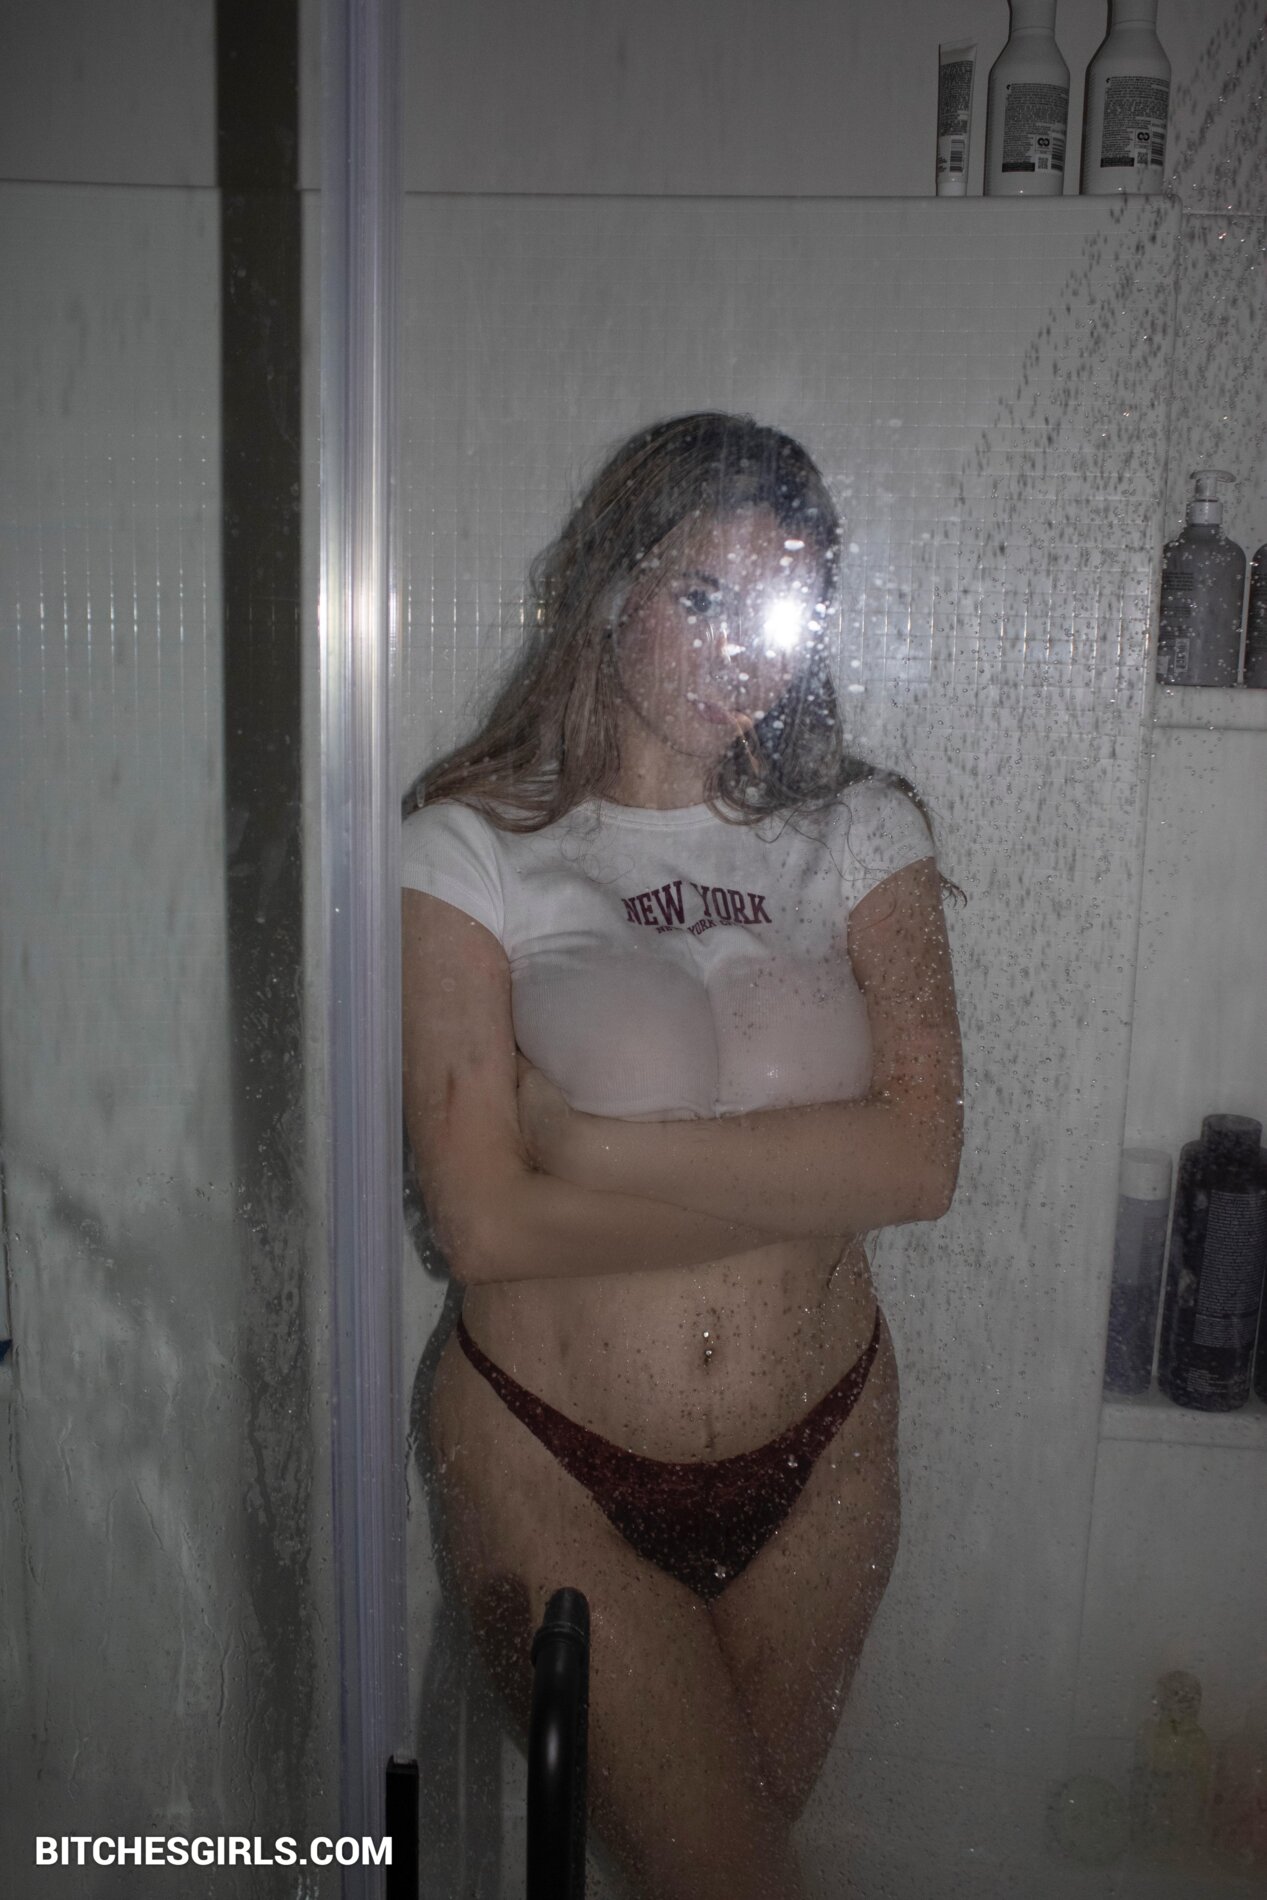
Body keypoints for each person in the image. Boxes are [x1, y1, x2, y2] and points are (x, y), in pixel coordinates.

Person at [400, 412, 964, 1900]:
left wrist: (586, 1147)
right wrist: (809, 1184)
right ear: (608, 588)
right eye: (701, 596)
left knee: (729, 1865)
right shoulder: (471, 845)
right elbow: (482, 1227)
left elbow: (921, 1164)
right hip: (551, 1461)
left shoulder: (865, 831)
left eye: (777, 606)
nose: (738, 654)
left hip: (824, 1455)